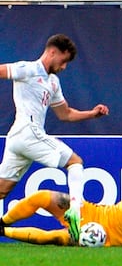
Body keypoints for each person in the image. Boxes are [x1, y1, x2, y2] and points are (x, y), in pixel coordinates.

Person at [0, 34, 109, 234]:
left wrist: (92, 114)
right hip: (27, 131)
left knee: (2, 190)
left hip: (19, 138)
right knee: (75, 162)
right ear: (52, 52)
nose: (64, 66)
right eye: (63, 61)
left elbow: (65, 114)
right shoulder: (27, 69)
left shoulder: (53, 83)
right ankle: (76, 211)